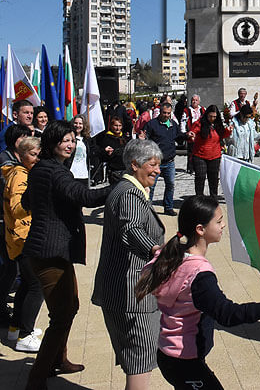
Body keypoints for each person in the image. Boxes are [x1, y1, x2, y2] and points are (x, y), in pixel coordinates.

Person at [136, 195, 260, 389]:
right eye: (219, 221)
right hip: (185, 361)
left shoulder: (173, 254)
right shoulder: (199, 275)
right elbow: (227, 313)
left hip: (168, 354)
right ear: (200, 229)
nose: (223, 225)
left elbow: (152, 264)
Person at [21, 120, 111, 389]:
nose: (70, 145)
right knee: (61, 315)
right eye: (65, 140)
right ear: (52, 142)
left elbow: (28, 201)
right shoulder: (55, 172)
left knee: (69, 307)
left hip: (50, 250)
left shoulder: (42, 168)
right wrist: (120, 186)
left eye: (72, 140)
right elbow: (84, 197)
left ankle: (58, 360)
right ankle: (37, 378)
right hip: (49, 252)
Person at [92, 139, 166, 390]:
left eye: (158, 164)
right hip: (131, 294)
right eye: (152, 165)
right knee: (140, 359)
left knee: (138, 358)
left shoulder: (129, 190)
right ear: (134, 165)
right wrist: (155, 249)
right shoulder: (129, 193)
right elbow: (132, 229)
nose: (158, 170)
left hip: (127, 291)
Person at [0, 124, 33, 326]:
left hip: (3, 222)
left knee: (7, 266)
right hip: (2, 222)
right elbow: (13, 200)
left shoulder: (12, 162)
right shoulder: (8, 165)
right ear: (17, 141)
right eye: (25, 138)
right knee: (11, 269)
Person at [4, 135, 46, 352]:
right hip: (23, 237)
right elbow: (16, 208)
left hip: (21, 237)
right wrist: (36, 199)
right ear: (21, 155)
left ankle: (16, 327)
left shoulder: (22, 173)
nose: (36, 158)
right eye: (32, 154)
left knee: (27, 284)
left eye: (39, 155)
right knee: (37, 285)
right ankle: (25, 334)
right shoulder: (20, 176)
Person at [143, 103, 182, 216]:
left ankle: (168, 207)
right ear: (160, 112)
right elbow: (146, 139)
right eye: (164, 113)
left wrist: (187, 135)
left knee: (170, 185)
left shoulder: (173, 124)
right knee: (151, 186)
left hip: (169, 161)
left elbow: (179, 137)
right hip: (155, 162)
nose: (166, 115)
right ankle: (147, 209)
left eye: (168, 113)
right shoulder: (152, 124)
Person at [188, 105, 231, 197]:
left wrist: (228, 131)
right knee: (200, 177)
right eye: (210, 116)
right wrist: (191, 135)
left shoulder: (218, 125)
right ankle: (199, 198)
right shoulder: (199, 123)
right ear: (206, 115)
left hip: (215, 156)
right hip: (200, 155)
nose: (212, 119)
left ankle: (213, 199)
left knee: (214, 179)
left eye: (214, 117)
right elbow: (193, 132)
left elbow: (222, 135)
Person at [95, 114, 129, 185]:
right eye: (115, 125)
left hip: (125, 169)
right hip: (114, 170)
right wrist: (106, 152)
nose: (118, 128)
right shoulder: (107, 138)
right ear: (111, 126)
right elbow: (102, 156)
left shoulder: (125, 138)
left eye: (119, 126)